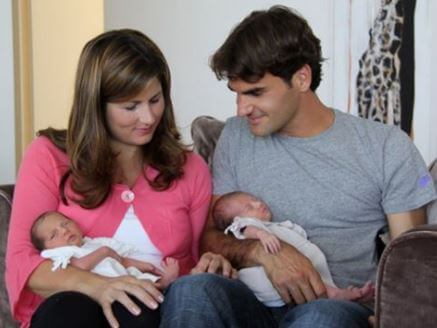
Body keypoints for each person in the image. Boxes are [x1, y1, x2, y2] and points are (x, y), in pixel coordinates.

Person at [159, 5, 437, 328]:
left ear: (302, 78)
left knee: (319, 319)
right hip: (252, 301)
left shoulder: (385, 146)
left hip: (336, 306)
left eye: (255, 93)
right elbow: (209, 237)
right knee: (191, 291)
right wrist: (261, 253)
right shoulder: (235, 137)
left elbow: (409, 264)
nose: (241, 109)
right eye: (236, 94)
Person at [5, 29, 235, 328]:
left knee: (139, 307)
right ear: (96, 106)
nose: (149, 117)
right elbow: (22, 262)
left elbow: (194, 263)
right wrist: (97, 285)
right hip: (69, 308)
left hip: (154, 307)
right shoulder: (48, 156)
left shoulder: (189, 168)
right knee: (69, 310)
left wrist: (213, 263)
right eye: (130, 107)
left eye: (155, 99)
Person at [212, 191, 375, 307]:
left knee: (314, 284)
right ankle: (338, 295)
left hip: (292, 279)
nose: (258, 203)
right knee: (314, 287)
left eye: (255, 199)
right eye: (249, 207)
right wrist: (262, 235)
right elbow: (245, 228)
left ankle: (344, 294)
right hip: (266, 278)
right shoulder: (247, 226)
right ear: (238, 219)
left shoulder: (273, 226)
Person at [31, 211, 179, 289]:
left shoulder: (94, 243)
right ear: (46, 248)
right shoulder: (60, 254)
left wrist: (148, 266)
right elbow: (79, 267)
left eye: (65, 223)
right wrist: (104, 252)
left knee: (142, 280)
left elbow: (122, 259)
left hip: (123, 276)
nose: (64, 231)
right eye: (54, 234)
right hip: (100, 286)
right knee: (139, 286)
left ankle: (165, 282)